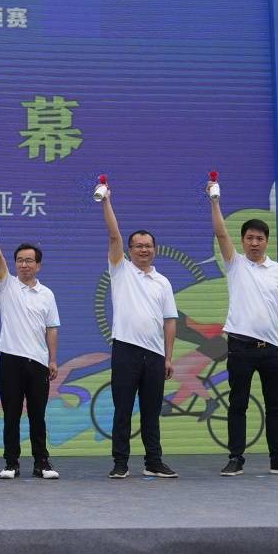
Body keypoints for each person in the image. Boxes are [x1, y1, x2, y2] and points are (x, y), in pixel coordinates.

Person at [210, 192, 278, 475]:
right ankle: (236, 458)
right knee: (238, 404)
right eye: (249, 238)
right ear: (242, 241)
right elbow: (221, 233)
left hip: (272, 348)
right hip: (240, 347)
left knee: (276, 406)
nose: (254, 242)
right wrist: (214, 201)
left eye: (259, 238)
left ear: (266, 241)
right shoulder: (235, 264)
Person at [101, 185, 178, 479]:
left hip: (155, 355)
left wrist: (168, 357)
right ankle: (120, 462)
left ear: (154, 249)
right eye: (138, 246)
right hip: (125, 350)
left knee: (151, 412)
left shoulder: (163, 282)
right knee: (122, 410)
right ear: (129, 250)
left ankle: (153, 461)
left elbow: (170, 321)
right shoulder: (120, 270)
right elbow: (114, 236)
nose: (144, 250)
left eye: (148, 246)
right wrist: (106, 201)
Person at [0, 228, 61, 480]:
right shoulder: (7, 285)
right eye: (20, 260)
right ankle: (11, 463)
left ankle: (42, 462)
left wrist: (52, 359)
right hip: (10, 359)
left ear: (38, 265)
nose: (24, 265)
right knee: (11, 415)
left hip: (38, 362)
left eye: (29, 260)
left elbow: (52, 328)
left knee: (38, 415)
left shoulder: (47, 294)